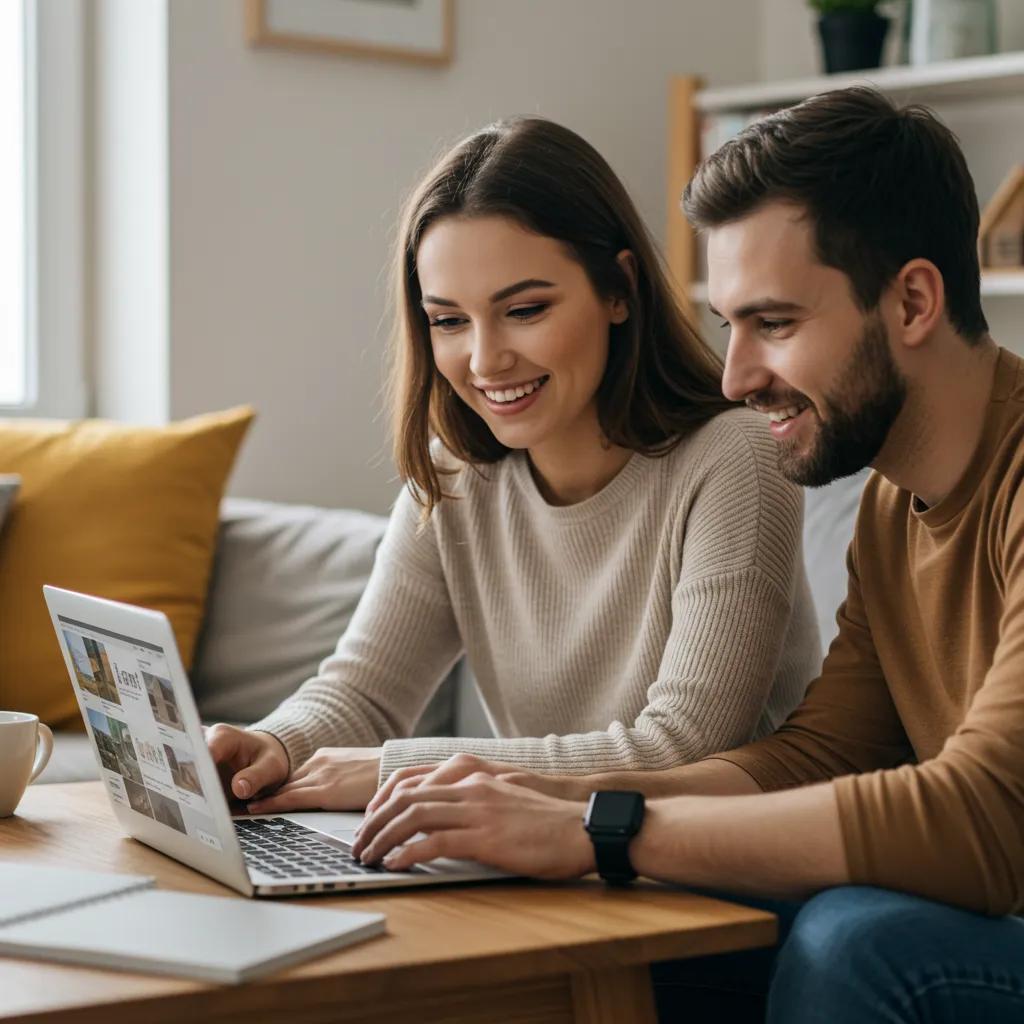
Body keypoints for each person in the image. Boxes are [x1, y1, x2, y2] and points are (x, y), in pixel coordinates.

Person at [351, 88, 1024, 1023]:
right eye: (730, 326)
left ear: (913, 300)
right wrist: (542, 809)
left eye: (776, 325)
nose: (735, 377)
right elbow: (815, 758)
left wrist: (601, 831)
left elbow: (984, 818)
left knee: (859, 944)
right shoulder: (890, 506)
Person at [206, 116, 821, 814]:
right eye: (448, 320)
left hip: (718, 864)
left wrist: (392, 770)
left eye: (524, 310)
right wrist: (274, 748)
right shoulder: (455, 477)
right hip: (542, 864)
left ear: (619, 289)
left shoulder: (734, 456)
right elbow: (365, 693)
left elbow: (683, 745)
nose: (484, 359)